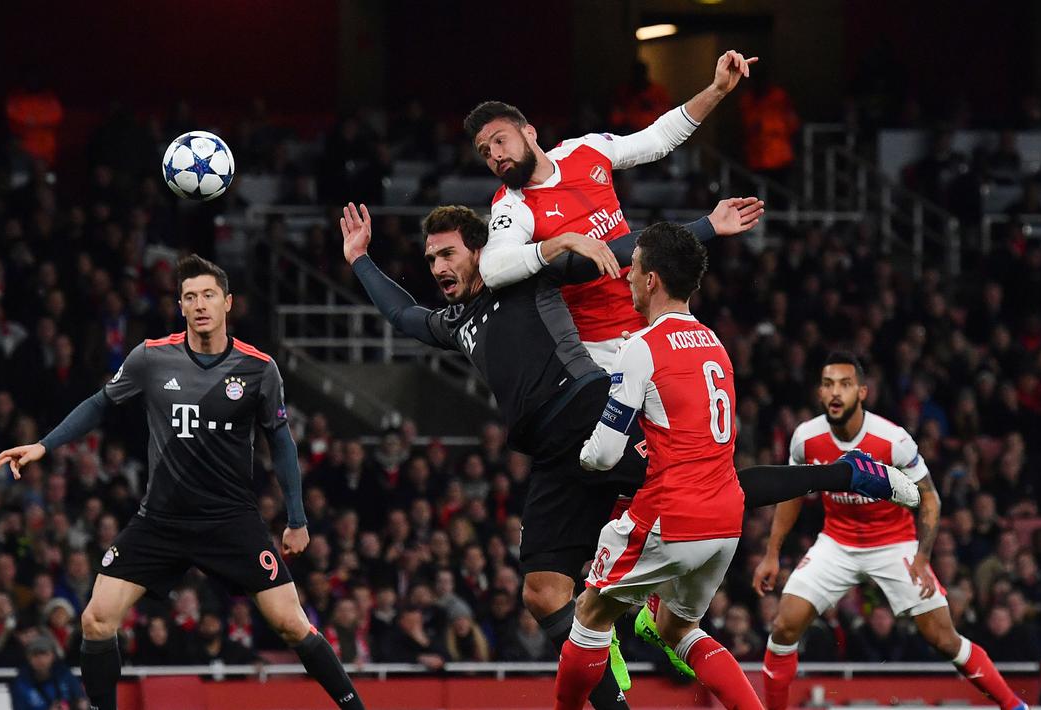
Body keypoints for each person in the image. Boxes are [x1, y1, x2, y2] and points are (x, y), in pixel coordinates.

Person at [340, 203, 916, 710]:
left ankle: (847, 471)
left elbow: (613, 254)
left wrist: (706, 229)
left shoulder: (519, 278)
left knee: (719, 485)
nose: (438, 266)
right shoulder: (455, 322)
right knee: (542, 594)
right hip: (549, 455)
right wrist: (360, 259)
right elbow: (402, 317)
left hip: (590, 413)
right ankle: (614, 649)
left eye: (447, 253)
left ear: (482, 252)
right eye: (430, 257)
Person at [0, 255, 364, 710]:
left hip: (230, 522)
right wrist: (43, 446)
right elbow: (98, 404)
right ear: (180, 306)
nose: (200, 304)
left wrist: (296, 518)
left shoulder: (258, 369)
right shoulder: (151, 357)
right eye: (190, 297)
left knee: (291, 625)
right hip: (161, 521)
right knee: (96, 620)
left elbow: (281, 443)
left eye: (208, 295)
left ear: (227, 302)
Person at [551, 224, 898, 710]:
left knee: (589, 612)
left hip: (671, 515)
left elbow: (605, 454)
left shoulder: (641, 347)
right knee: (679, 628)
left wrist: (584, 457)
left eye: (633, 268)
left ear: (651, 280)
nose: (626, 276)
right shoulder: (714, 344)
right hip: (724, 522)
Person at [754, 352, 1026, 710]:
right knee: (783, 627)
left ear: (863, 392)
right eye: (828, 384)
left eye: (845, 384)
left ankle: (1017, 707)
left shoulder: (891, 439)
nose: (836, 392)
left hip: (893, 543)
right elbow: (791, 494)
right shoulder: (805, 438)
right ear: (820, 393)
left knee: (943, 639)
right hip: (836, 542)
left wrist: (922, 557)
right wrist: (772, 553)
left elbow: (930, 498)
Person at [464, 49, 757, 372]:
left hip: (655, 319)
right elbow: (493, 269)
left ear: (529, 132)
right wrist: (561, 242)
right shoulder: (511, 205)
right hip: (599, 348)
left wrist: (716, 90)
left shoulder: (585, 150)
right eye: (485, 151)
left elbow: (658, 138)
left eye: (500, 141)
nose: (494, 154)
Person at [9, 635, 88, 710]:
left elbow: (81, 699)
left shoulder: (64, 674)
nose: (40, 659)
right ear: (28, 658)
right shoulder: (21, 683)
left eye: (44, 654)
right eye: (35, 655)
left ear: (53, 656)